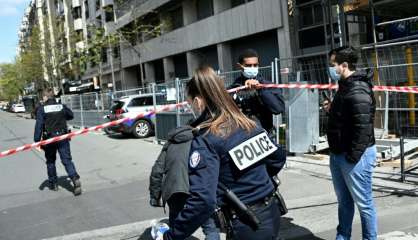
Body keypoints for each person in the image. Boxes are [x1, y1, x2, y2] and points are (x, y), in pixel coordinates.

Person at [155, 66, 286, 240]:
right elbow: (278, 158)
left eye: (190, 101)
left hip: (246, 221)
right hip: (271, 212)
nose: (190, 106)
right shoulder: (249, 123)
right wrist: (253, 181)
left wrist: (172, 236)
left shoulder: (207, 139)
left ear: (198, 101)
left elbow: (203, 201)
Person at [327, 47, 377, 240]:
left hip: (354, 156)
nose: (330, 69)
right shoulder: (345, 85)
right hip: (339, 153)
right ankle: (342, 236)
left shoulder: (357, 89)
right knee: (344, 202)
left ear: (344, 65)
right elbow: (349, 117)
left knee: (364, 204)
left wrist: (352, 157)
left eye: (333, 65)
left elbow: (363, 128)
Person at [149, 125, 221, 240]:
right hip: (197, 188)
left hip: (174, 191)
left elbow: (157, 171)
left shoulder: (169, 145)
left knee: (176, 227)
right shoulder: (199, 142)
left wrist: (154, 196)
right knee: (209, 226)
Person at [34, 88, 82, 196]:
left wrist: (37, 140)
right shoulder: (61, 106)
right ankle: (74, 178)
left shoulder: (42, 109)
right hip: (63, 136)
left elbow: (39, 126)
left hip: (49, 139)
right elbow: (70, 115)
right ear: (53, 96)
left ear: (45, 97)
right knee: (67, 160)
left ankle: (53, 183)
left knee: (50, 161)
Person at [229, 49, 285, 138]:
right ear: (240, 66)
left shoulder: (267, 85)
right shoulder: (233, 88)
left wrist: (261, 89)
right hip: (242, 138)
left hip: (265, 135)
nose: (252, 68)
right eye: (248, 65)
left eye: (255, 65)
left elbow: (278, 109)